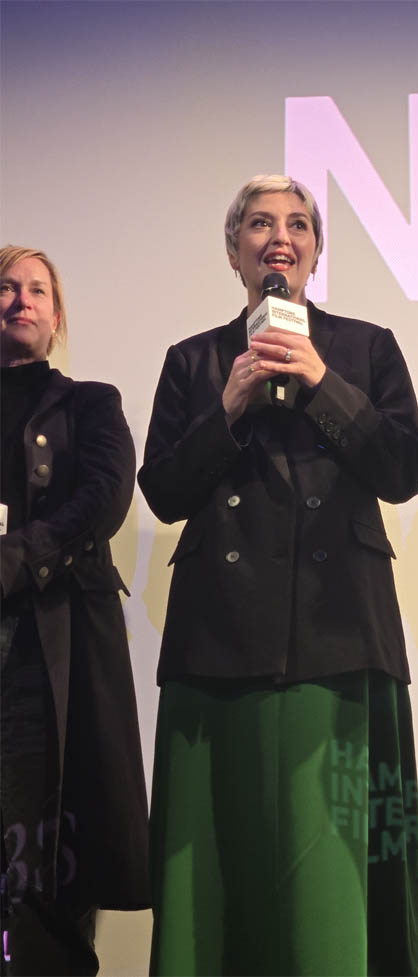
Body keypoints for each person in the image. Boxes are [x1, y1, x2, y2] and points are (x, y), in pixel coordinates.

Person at [139, 174, 418, 977]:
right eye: (260, 224)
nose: (280, 237)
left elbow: (403, 469)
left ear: (313, 252)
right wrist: (226, 407)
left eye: (297, 224)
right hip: (217, 644)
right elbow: (161, 490)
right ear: (236, 252)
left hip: (340, 632)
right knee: (217, 865)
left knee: (334, 866)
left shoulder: (364, 347)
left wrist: (321, 381)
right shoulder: (194, 361)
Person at [0, 246, 149, 976]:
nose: (19, 299)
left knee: (45, 860)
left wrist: (20, 555)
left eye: (36, 289)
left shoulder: (90, 402)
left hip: (46, 653)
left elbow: (107, 494)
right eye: (5, 286)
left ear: (56, 317)